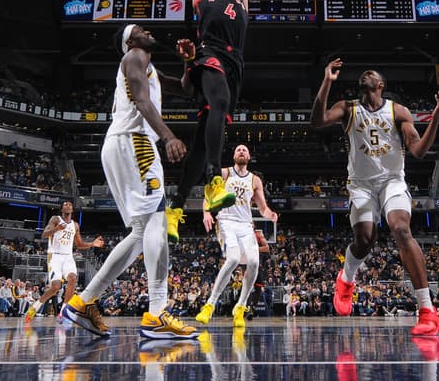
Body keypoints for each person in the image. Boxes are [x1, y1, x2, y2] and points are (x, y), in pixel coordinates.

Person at [61, 24, 198, 340]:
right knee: (156, 223)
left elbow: (185, 89)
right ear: (130, 41)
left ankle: (82, 302)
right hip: (135, 142)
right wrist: (168, 136)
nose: (149, 30)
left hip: (120, 146)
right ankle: (156, 313)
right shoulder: (134, 56)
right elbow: (140, 99)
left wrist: (189, 62)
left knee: (140, 233)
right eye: (140, 29)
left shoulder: (146, 65)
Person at [310, 58, 439, 336]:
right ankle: (346, 279)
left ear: (380, 85)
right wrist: (327, 81)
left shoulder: (398, 111)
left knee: (401, 228)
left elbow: (419, 151)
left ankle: (427, 310)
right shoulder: (347, 107)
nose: (364, 73)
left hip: (391, 180)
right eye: (362, 72)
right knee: (365, 240)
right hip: (361, 185)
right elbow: (317, 120)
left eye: (371, 73)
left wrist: (435, 118)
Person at [166, 0, 257, 243]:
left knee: (202, 141)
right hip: (209, 57)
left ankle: (174, 208)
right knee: (217, 101)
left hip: (233, 67)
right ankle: (215, 181)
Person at [195, 144, 278, 329]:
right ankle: (210, 304)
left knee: (255, 263)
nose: (241, 151)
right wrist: (206, 213)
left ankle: (240, 307)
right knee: (232, 258)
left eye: (245, 150)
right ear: (233, 156)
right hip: (226, 221)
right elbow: (208, 195)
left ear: (249, 157)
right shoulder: (224, 173)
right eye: (238, 150)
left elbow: (262, 207)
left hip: (246, 225)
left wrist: (270, 214)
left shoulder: (255, 180)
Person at [24, 200, 104, 323]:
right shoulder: (55, 219)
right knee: (56, 287)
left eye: (70, 205)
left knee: (72, 278)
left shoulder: (75, 225)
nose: (68, 206)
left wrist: (92, 243)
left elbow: (79, 244)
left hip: (68, 256)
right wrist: (56, 228)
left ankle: (64, 312)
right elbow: (44, 234)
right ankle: (35, 306)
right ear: (62, 209)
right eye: (65, 205)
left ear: (72, 210)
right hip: (55, 256)